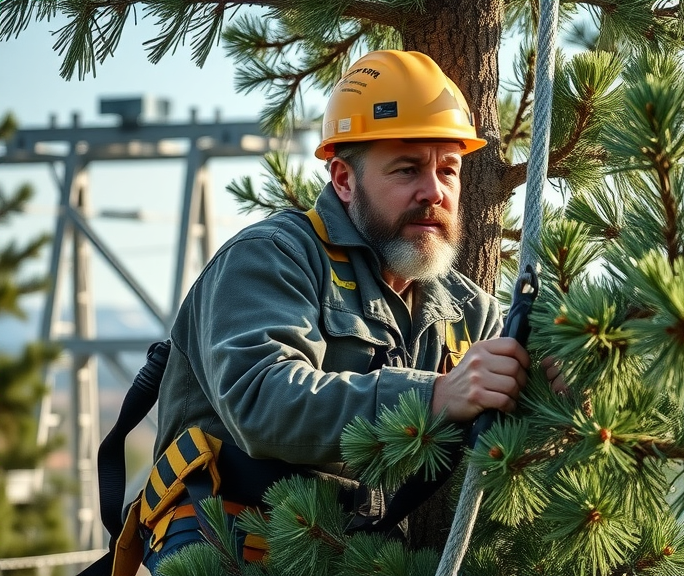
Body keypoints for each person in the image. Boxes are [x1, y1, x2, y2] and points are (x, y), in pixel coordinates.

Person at [115, 50, 534, 575]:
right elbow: (261, 399)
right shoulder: (272, 258)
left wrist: (563, 374)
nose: (434, 191)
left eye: (447, 170)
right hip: (231, 546)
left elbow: (525, 388)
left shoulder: (464, 308)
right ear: (343, 180)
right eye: (407, 169)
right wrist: (435, 397)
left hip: (359, 559)